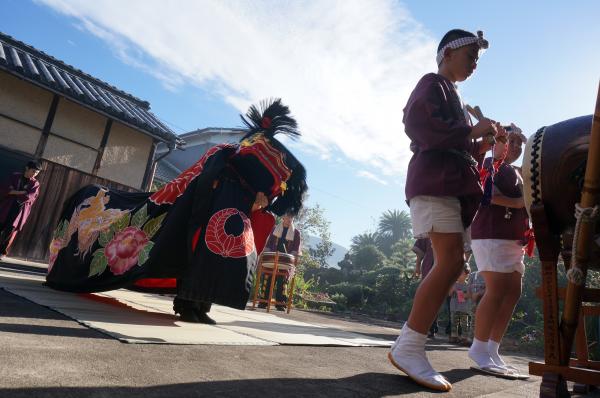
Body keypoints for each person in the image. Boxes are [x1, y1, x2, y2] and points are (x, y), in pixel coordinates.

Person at [46, 99, 308, 326]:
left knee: (215, 262)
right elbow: (196, 179)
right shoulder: (223, 153)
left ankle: (201, 307)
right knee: (195, 258)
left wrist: (259, 201)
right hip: (202, 207)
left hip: (229, 214)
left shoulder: (252, 172)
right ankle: (187, 305)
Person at [388, 28, 505, 391]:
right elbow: (418, 124)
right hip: (434, 183)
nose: (473, 64)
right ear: (446, 54)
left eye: (476, 60)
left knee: (452, 263)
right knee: (449, 262)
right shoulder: (432, 83)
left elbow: (457, 149)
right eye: (469, 56)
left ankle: (411, 345)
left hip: (447, 184)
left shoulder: (452, 96)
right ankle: (409, 346)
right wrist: (471, 132)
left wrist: (481, 140)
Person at [468, 126, 530, 377]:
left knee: (513, 291)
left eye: (519, 143)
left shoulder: (516, 172)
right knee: (496, 290)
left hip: (513, 238)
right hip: (491, 233)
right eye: (510, 141)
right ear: (499, 141)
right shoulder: (490, 161)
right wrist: (516, 203)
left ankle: (493, 349)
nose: (515, 147)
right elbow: (485, 192)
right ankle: (479, 347)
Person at [259, 213, 302, 310]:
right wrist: (267, 253)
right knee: (267, 277)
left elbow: (296, 248)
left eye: (291, 217)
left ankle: (280, 303)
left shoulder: (296, 233)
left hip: (285, 261)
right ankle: (263, 301)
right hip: (273, 258)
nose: (289, 219)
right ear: (283, 217)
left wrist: (291, 257)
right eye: (288, 216)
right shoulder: (275, 229)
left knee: (282, 281)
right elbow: (269, 243)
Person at [0, 160, 42, 260]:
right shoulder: (15, 176)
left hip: (20, 210)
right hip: (6, 206)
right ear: (27, 168)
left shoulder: (35, 183)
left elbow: (29, 197)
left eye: (37, 173)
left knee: (10, 232)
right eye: (33, 171)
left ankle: (2, 252)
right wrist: (21, 192)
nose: (35, 174)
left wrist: (14, 192)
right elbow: (5, 189)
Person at [412, 237, 438, 338]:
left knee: (438, 299)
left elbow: (465, 250)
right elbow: (420, 251)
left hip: (446, 268)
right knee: (427, 298)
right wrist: (417, 267)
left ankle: (455, 333)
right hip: (429, 268)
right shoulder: (428, 227)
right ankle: (427, 327)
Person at [448, 263, 471, 344]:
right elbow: (449, 294)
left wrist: (462, 294)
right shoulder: (454, 284)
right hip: (454, 307)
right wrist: (453, 289)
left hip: (464, 308)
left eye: (461, 273)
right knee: (454, 322)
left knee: (465, 324)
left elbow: (468, 295)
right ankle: (454, 336)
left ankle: (465, 338)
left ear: (467, 274)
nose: (458, 275)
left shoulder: (468, 285)